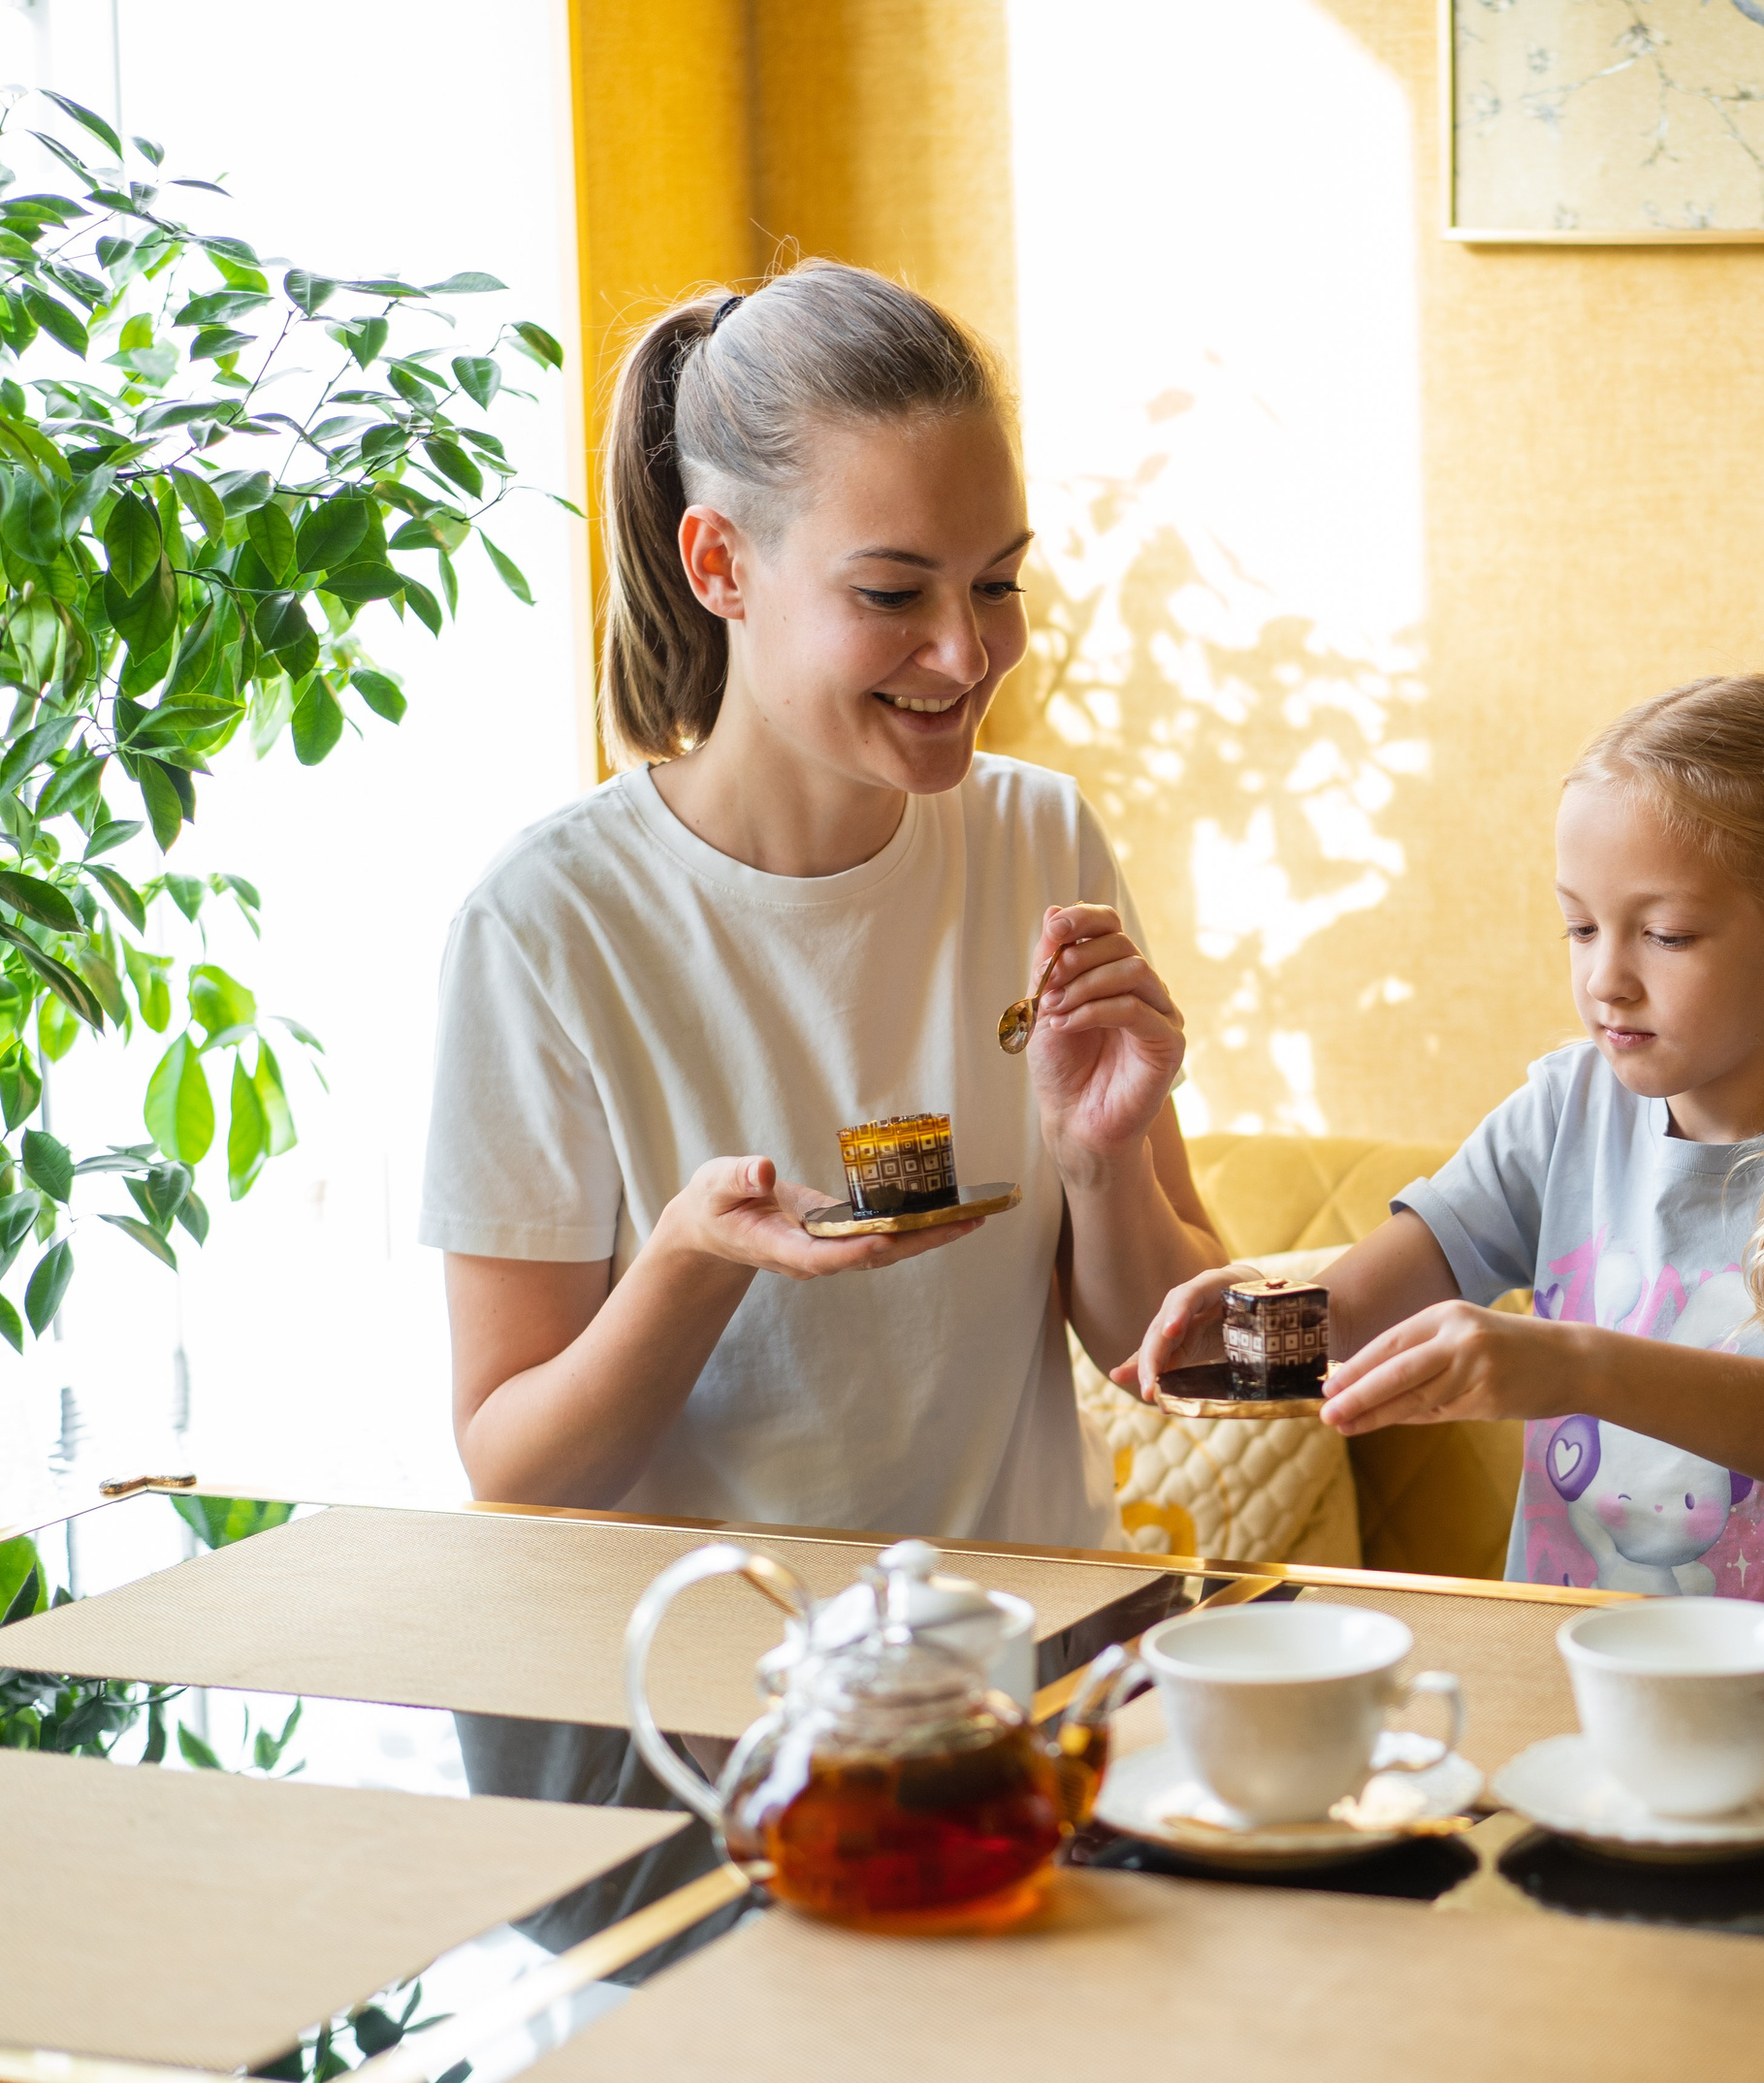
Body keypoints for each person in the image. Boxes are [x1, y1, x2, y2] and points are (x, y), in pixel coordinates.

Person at [422, 260, 1225, 1546]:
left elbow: (1178, 1361)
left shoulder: (1037, 836)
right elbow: (518, 1475)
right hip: (711, 1704)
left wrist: (1102, 1160)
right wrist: (692, 1259)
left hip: (1020, 1685)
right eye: (894, 594)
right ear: (720, 563)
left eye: (999, 582)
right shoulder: (548, 925)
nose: (968, 654)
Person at [1127, 675, 1764, 1600]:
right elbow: (1352, 1309)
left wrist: (1570, 1364)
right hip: (1572, 1670)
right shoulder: (1562, 1110)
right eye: (1579, 927)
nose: (1605, 980)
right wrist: (1258, 1312)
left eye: (1664, 934)